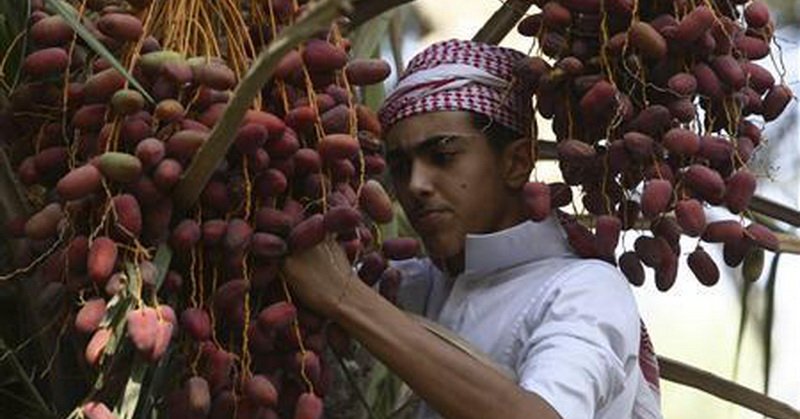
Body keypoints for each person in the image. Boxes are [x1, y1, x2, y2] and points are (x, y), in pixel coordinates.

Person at [284, 39, 662, 419]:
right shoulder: (428, 283)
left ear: (517, 161)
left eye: (443, 156)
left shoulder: (585, 290)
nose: (416, 185)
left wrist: (345, 297)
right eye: (400, 167)